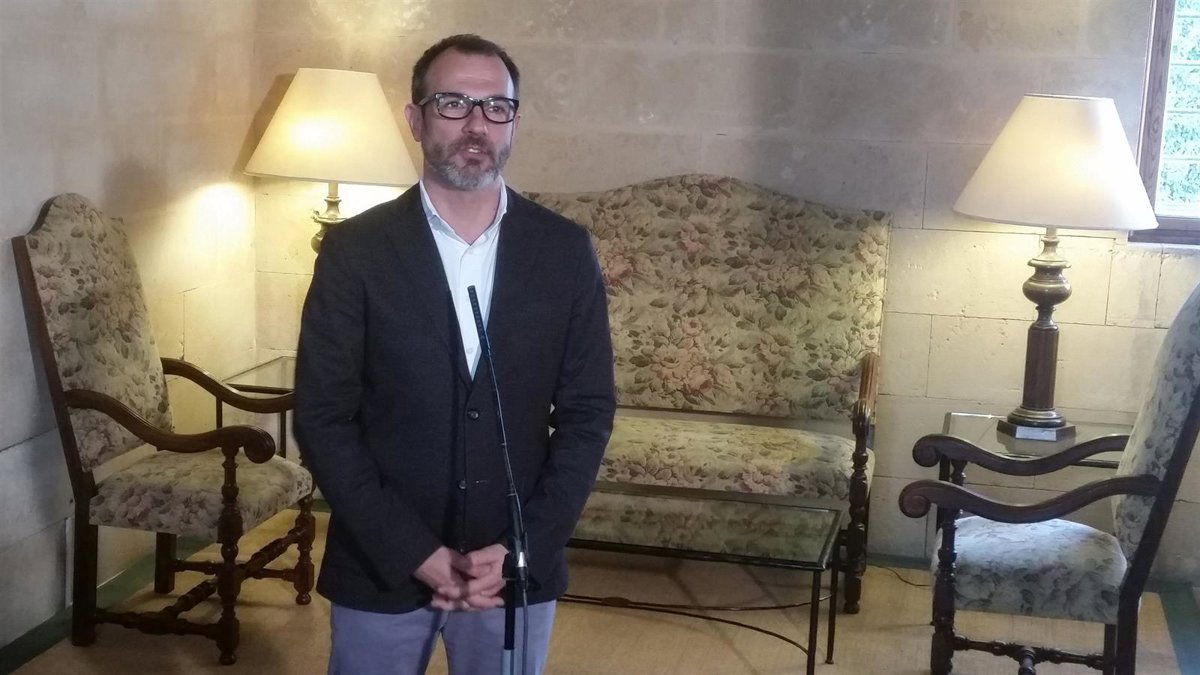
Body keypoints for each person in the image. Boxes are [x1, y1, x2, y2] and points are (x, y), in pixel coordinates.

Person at [293, 33, 616, 675]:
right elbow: (324, 417)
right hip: (380, 562)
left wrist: (526, 546)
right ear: (415, 119)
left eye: (496, 106)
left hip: (512, 570)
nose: (476, 124)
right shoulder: (355, 251)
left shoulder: (564, 250)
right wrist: (409, 549)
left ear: (514, 122)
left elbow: (588, 414)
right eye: (453, 103)